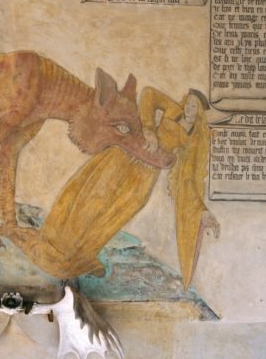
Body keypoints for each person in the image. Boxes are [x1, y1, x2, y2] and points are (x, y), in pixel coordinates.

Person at [17, 85, 219, 288]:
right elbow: (149, 94)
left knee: (114, 214)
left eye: (195, 106)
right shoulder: (174, 111)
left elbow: (189, 178)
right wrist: (148, 128)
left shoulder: (192, 139)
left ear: (200, 112)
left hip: (145, 175)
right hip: (126, 156)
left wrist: (200, 210)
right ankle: (57, 245)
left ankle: (79, 257)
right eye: (189, 103)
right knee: (90, 196)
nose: (190, 108)